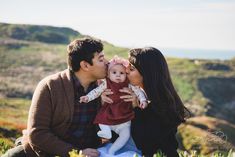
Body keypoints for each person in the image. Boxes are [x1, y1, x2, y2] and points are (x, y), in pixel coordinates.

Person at [3, 38, 108, 157]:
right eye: (101, 59)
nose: (107, 62)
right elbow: (38, 133)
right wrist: (76, 153)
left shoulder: (106, 87)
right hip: (45, 152)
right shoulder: (50, 86)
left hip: (93, 153)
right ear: (85, 65)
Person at [103, 47, 190, 157]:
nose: (126, 70)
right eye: (128, 66)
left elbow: (145, 143)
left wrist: (135, 108)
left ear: (147, 73)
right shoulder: (134, 94)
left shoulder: (163, 106)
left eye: (132, 68)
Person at [79, 56, 148, 155]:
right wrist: (87, 97)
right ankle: (106, 132)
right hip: (109, 115)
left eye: (122, 73)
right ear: (108, 74)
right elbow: (96, 92)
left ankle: (112, 150)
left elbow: (138, 92)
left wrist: (143, 100)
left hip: (124, 118)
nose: (118, 76)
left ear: (126, 74)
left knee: (125, 135)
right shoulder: (106, 83)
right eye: (114, 72)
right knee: (101, 120)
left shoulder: (128, 84)